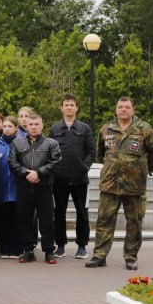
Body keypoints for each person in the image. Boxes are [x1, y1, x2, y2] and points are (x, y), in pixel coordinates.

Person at [86, 97, 153, 271]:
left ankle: (131, 257)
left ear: (133, 110)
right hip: (110, 184)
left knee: (134, 222)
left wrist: (142, 169)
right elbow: (101, 153)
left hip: (134, 185)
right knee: (104, 220)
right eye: (120, 107)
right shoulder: (106, 129)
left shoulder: (145, 129)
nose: (123, 110)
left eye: (127, 107)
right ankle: (99, 256)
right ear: (116, 109)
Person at [9, 110, 62, 264]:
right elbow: (12, 163)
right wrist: (27, 173)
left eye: (36, 124)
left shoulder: (51, 143)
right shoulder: (17, 143)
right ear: (26, 126)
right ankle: (28, 250)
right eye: (30, 124)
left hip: (44, 187)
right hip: (24, 187)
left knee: (47, 221)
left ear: (42, 126)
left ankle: (48, 251)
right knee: (24, 220)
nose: (33, 127)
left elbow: (56, 162)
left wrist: (38, 173)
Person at [49, 95, 96, 259]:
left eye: (71, 105)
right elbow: (50, 152)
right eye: (66, 105)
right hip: (59, 180)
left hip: (80, 180)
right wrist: (55, 170)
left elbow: (91, 152)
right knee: (58, 212)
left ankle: (82, 246)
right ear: (61, 108)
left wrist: (84, 168)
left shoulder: (85, 129)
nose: (69, 107)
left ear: (77, 108)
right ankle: (60, 245)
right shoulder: (54, 129)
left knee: (82, 213)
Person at [0, 116, 21, 258]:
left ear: (16, 128)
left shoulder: (21, 144)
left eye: (10, 126)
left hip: (16, 190)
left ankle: (15, 249)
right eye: (5, 126)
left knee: (15, 220)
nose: (7, 129)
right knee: (2, 221)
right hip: (1, 190)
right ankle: (3, 248)